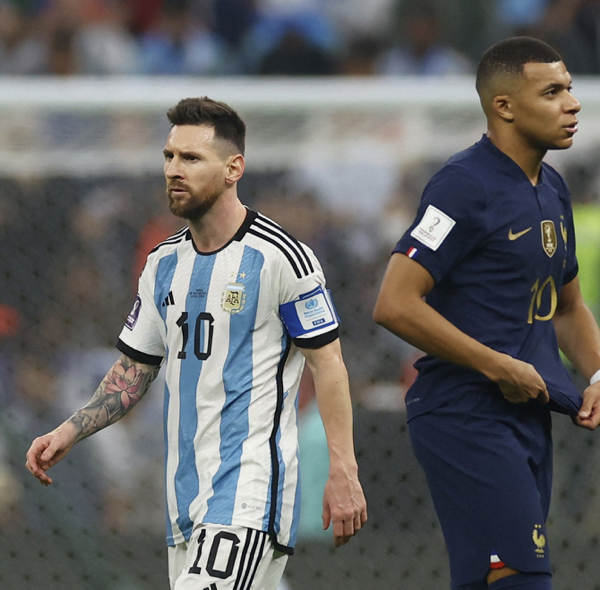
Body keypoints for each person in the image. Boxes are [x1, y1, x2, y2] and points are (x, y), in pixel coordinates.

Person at [26, 97, 368, 590]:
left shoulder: (281, 258)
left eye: (191, 158)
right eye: (169, 156)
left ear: (233, 169)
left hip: (248, 489)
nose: (174, 170)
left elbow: (329, 364)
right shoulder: (162, 263)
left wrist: (344, 470)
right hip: (184, 496)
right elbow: (135, 369)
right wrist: (69, 430)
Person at [373, 37, 600, 590]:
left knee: (491, 582)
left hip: (528, 415)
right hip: (466, 414)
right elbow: (395, 303)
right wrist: (497, 365)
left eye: (569, 88)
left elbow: (568, 307)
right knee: (522, 580)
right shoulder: (463, 185)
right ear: (504, 106)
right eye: (551, 92)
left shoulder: (553, 188)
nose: (572, 103)